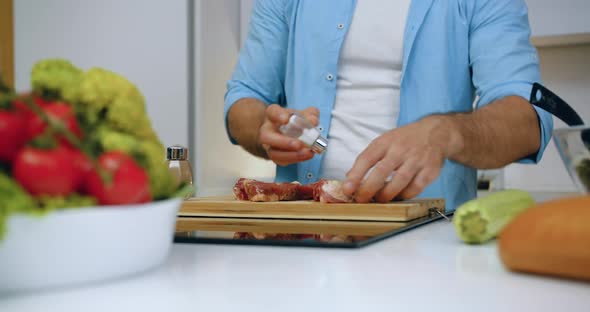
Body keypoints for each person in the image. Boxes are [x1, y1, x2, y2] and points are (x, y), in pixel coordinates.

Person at [223, 0, 553, 211]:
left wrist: (445, 133)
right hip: (303, 231)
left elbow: (527, 119)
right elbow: (244, 97)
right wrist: (263, 129)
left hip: (428, 237)